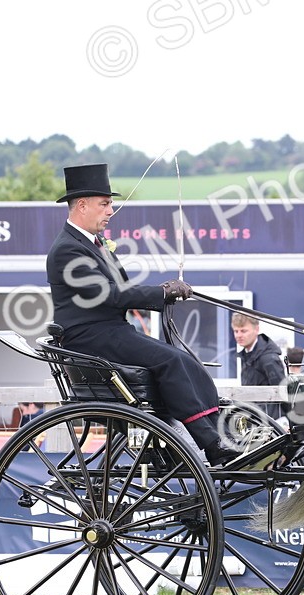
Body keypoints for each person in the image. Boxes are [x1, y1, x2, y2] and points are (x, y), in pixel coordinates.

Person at [46, 163, 240, 465]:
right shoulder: (68, 250)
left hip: (110, 331)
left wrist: (162, 292)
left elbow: (120, 288)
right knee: (171, 360)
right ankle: (211, 444)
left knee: (184, 357)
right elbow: (109, 294)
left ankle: (193, 437)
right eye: (105, 204)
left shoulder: (92, 245)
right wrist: (162, 293)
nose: (111, 210)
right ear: (81, 205)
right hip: (91, 337)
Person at [232, 312, 286, 419]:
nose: (239, 335)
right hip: (255, 418)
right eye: (236, 331)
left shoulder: (268, 358)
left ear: (256, 329)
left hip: (270, 422)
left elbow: (283, 391)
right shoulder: (246, 355)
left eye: (243, 331)